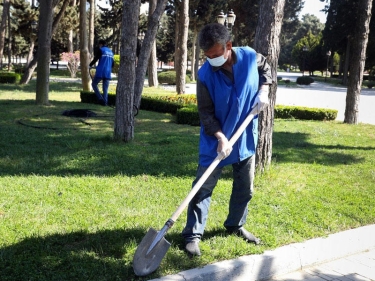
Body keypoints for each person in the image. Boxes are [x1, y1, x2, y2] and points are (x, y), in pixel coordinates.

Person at [181, 23, 273, 257]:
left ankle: (235, 225)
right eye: (207, 56)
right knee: (202, 188)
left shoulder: (251, 57)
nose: (211, 60)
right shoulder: (205, 75)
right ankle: (192, 234)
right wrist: (220, 137)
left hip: (244, 136)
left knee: (245, 187)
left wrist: (264, 90)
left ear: (228, 46)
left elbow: (266, 68)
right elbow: (205, 113)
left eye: (215, 55)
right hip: (217, 140)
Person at [89, 39, 114, 106]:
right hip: (108, 72)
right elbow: (113, 64)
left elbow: (96, 58)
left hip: (101, 71)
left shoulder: (101, 50)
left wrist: (90, 65)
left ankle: (100, 99)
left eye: (99, 45)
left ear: (101, 44)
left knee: (94, 84)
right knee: (105, 88)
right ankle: (105, 102)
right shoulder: (111, 52)